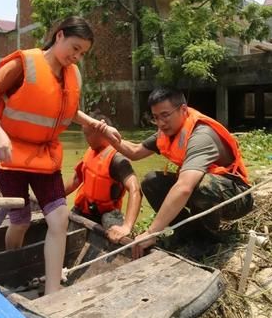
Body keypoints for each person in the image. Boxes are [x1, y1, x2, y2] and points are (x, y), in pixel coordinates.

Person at [0, 16, 120, 295]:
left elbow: (66, 110)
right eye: (74, 48)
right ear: (59, 36)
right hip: (10, 155)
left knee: (60, 219)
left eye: (82, 53)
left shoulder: (71, 74)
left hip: (45, 157)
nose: (76, 57)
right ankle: (13, 260)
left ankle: (52, 293)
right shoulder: (23, 64)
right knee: (21, 221)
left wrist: (94, 124)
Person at [108, 88, 253, 259]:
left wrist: (152, 231)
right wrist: (109, 136)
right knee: (151, 181)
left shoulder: (200, 136)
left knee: (200, 185)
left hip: (236, 196)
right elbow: (135, 151)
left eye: (165, 115)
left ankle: (207, 240)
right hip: (201, 188)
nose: (161, 123)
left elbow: (184, 187)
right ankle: (186, 233)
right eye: (156, 117)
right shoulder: (168, 132)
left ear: (183, 110)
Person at [64, 117, 142, 244]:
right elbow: (76, 179)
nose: (86, 138)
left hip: (108, 215)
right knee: (64, 226)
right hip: (84, 209)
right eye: (85, 134)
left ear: (100, 131)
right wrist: (54, 198)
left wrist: (127, 226)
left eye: (87, 134)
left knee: (117, 239)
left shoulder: (117, 159)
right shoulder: (91, 151)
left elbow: (135, 189)